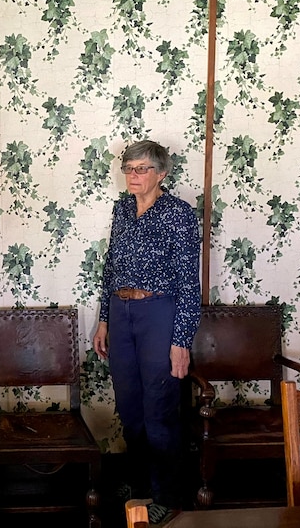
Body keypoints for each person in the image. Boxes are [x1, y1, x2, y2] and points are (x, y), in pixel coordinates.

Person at [93, 139, 201, 525]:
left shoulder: (179, 214)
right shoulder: (121, 210)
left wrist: (180, 341)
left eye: (141, 169)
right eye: (128, 168)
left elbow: (189, 283)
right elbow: (111, 268)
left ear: (162, 174)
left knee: (159, 409)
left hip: (159, 312)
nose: (132, 175)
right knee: (130, 407)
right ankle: (140, 484)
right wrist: (104, 319)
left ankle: (168, 496)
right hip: (121, 314)